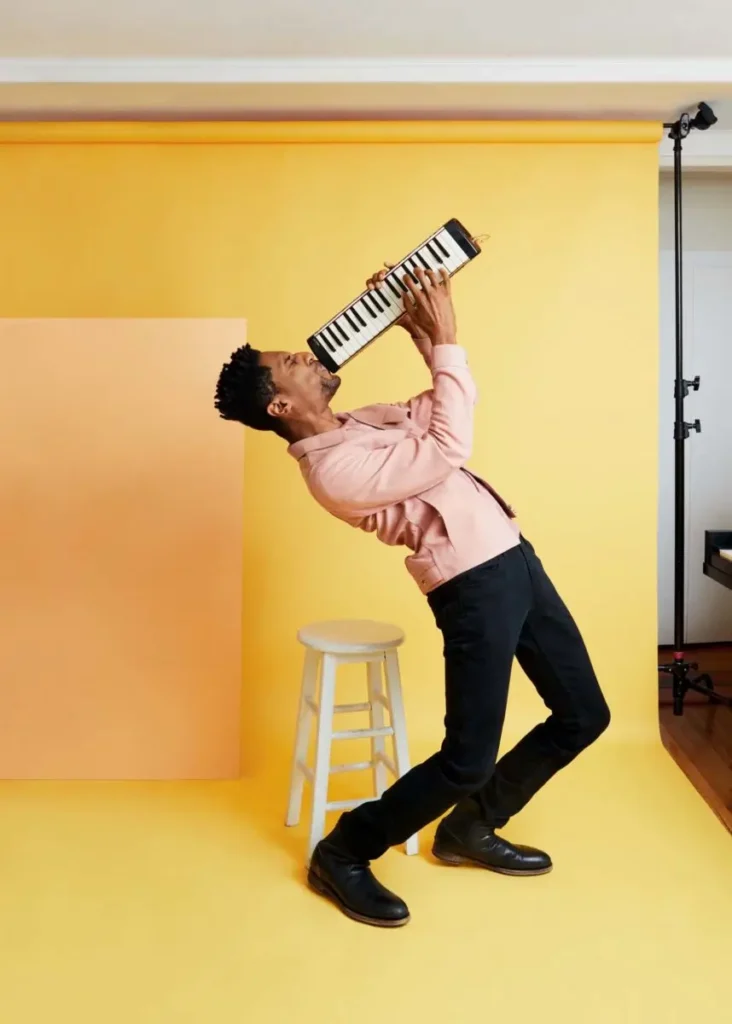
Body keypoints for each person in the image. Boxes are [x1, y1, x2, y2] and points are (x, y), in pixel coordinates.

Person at [215, 265, 610, 929]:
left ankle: (470, 831)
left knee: (584, 715)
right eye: (290, 363)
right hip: (474, 587)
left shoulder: (358, 423)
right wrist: (447, 332)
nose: (307, 357)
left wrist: (426, 328)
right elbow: (451, 445)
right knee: (466, 759)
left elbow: (450, 404)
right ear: (279, 407)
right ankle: (341, 853)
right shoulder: (334, 472)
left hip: (514, 560)